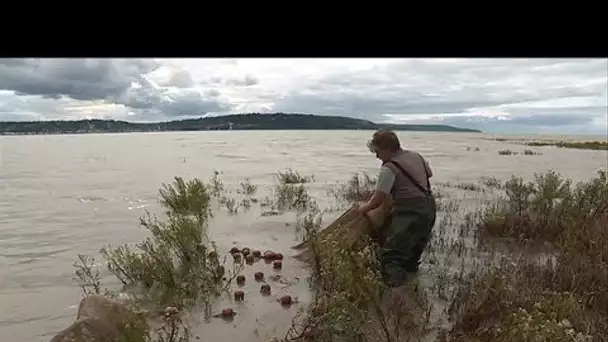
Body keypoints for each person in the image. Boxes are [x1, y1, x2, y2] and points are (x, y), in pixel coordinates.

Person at [357, 129, 437, 289]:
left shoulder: (389, 167)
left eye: (377, 151)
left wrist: (362, 209)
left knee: (391, 256)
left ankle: (396, 297)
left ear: (387, 149)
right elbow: (429, 174)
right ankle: (413, 290)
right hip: (429, 208)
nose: (377, 156)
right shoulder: (416, 156)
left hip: (409, 212)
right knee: (412, 255)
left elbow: (377, 199)